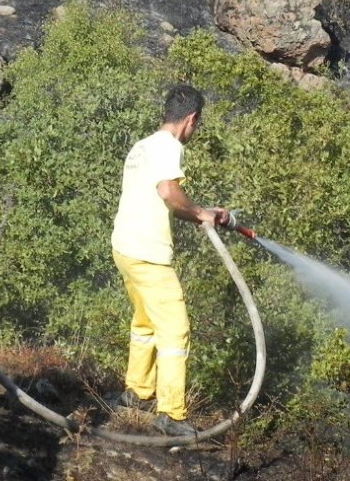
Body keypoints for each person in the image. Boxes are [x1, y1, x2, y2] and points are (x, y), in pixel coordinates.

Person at [111, 84, 227, 436]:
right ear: (191, 119)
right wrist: (199, 211)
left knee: (145, 323)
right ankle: (171, 415)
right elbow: (168, 192)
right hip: (149, 255)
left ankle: (138, 391)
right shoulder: (168, 147)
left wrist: (202, 214)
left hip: (125, 249)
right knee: (175, 331)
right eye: (197, 125)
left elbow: (161, 200)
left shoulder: (143, 146)